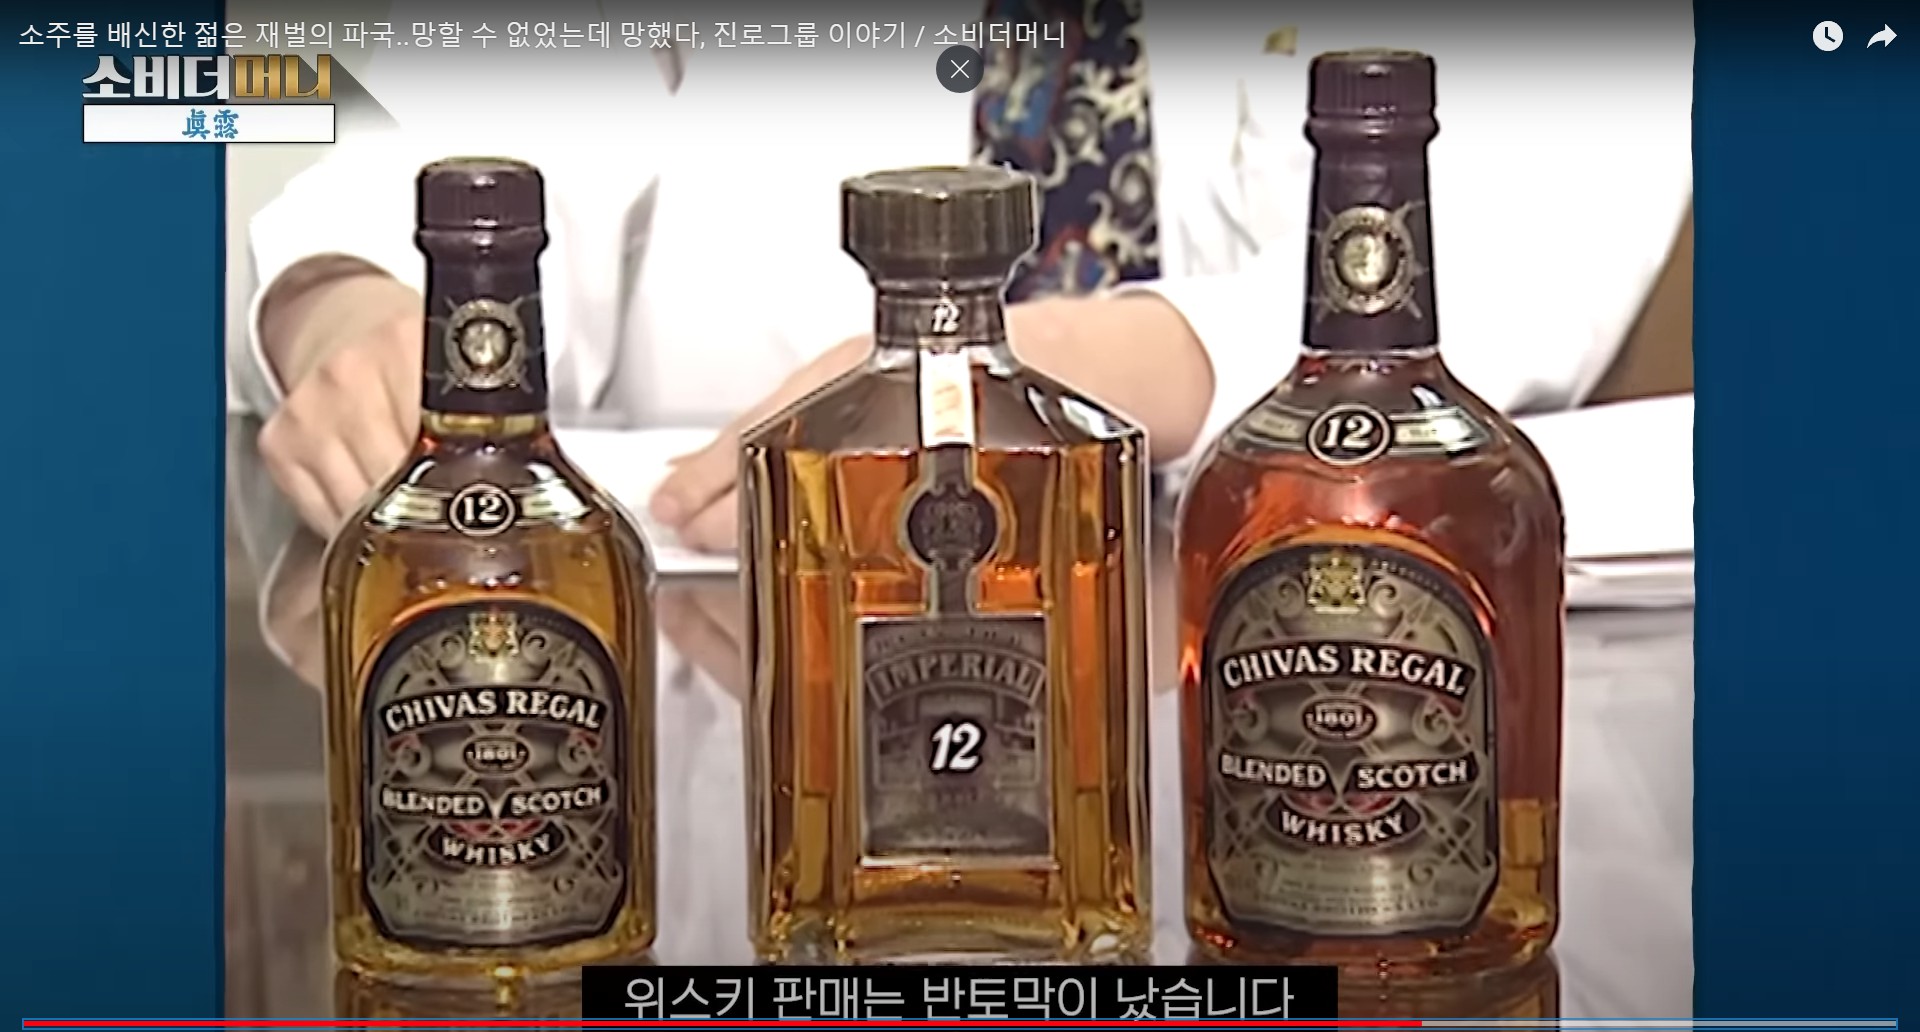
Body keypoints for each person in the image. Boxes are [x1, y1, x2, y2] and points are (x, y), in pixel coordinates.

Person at [231, 0, 1694, 556]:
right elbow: (436, 126)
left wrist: (1074, 376)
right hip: (744, 662)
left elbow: (1527, 215)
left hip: (1291, 657)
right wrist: (348, 305)